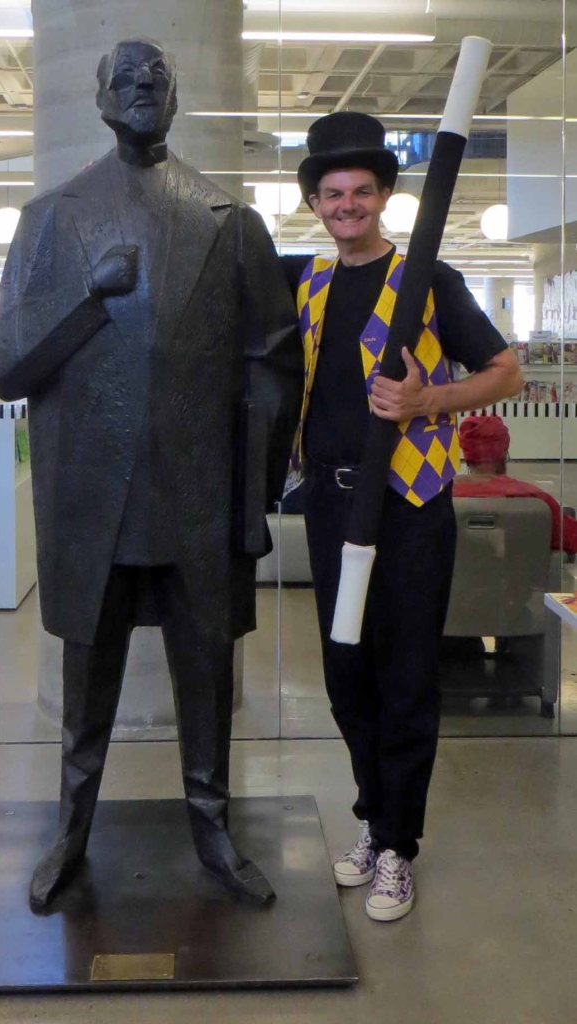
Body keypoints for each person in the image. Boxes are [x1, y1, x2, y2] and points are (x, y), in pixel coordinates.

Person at [0, 37, 301, 912]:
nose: (138, 90)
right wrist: (87, 299)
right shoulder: (51, 218)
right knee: (87, 691)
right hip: (94, 504)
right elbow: (8, 365)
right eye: (123, 79)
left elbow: (274, 365)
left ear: (176, 98)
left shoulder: (228, 220)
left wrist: (256, 492)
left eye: (154, 79)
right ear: (97, 99)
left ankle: (215, 833)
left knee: (208, 683)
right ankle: (70, 835)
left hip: (198, 501)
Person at [291, 112, 523, 921]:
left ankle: (398, 847)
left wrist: (431, 398)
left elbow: (505, 373)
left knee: (406, 674)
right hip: (329, 499)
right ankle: (372, 818)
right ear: (316, 204)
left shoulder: (428, 278)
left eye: (360, 192)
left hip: (410, 501)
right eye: (332, 194)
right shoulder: (314, 286)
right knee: (345, 671)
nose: (346, 206)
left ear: (384, 197)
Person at [454, 415, 577, 552]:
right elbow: (572, 539)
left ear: (466, 456)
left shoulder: (441, 497)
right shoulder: (535, 499)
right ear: (504, 453)